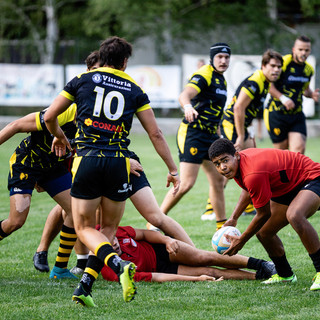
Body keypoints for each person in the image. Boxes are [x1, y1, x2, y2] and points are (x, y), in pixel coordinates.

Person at [43, 36, 181, 304]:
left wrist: (59, 136)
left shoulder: (82, 79)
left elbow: (49, 116)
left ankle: (118, 266)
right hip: (120, 162)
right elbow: (155, 132)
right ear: (125, 62)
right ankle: (84, 287)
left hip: (89, 159)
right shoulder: (135, 88)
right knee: (108, 228)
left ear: (102, 57)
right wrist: (172, 169)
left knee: (83, 228)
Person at [209, 138, 320, 291]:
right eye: (217, 164)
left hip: (311, 177)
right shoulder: (239, 166)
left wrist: (242, 240)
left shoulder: (253, 172)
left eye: (225, 160)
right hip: (287, 187)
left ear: (236, 155)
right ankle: (285, 275)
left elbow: (263, 214)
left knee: (295, 215)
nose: (222, 167)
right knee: (264, 232)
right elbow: (247, 189)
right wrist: (233, 218)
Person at [0, 94, 78, 280]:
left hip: (52, 168)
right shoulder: (61, 114)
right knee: (16, 221)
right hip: (27, 164)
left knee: (77, 209)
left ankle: (60, 269)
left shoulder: (94, 124)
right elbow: (15, 125)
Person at [159, 43, 231, 229]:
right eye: (219, 57)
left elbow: (215, 112)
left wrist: (220, 137)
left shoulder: (221, 80)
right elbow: (185, 95)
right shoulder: (204, 74)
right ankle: (156, 221)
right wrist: (188, 106)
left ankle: (221, 228)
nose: (223, 61)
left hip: (210, 136)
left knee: (218, 180)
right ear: (212, 58)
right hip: (193, 133)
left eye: (226, 57)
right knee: (186, 183)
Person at [218, 49, 283, 216]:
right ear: (263, 66)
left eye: (279, 67)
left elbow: (250, 111)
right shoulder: (255, 82)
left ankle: (248, 207)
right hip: (233, 124)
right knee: (230, 164)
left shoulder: (266, 83)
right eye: (273, 66)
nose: (276, 70)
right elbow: (239, 107)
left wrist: (250, 132)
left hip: (244, 126)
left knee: (249, 163)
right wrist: (240, 135)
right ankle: (212, 206)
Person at [100, 226, 276, 283]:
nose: (114, 242)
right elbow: (157, 276)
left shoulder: (119, 231)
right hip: (162, 268)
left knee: (203, 257)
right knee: (210, 273)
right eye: (109, 243)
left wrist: (167, 240)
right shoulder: (112, 272)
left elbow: (145, 234)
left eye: (113, 238)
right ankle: (258, 276)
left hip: (160, 250)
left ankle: (262, 264)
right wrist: (196, 278)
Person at [264, 35, 319, 154]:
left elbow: (305, 90)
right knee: (282, 154)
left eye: (306, 50)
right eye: (300, 49)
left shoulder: (309, 70)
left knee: (298, 152)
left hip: (296, 114)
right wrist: (283, 98)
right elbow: (269, 85)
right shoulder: (283, 63)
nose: (303, 53)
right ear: (294, 49)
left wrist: (312, 95)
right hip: (277, 113)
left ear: (310, 51)